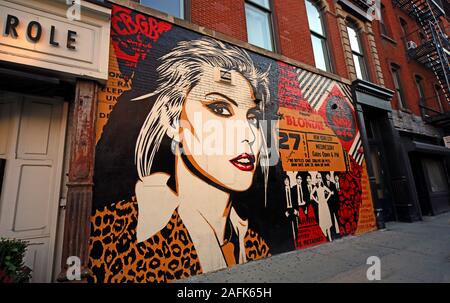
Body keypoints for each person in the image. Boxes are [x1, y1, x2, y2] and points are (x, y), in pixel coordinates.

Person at [89, 37, 272, 283]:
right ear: (172, 120)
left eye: (251, 117)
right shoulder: (116, 236)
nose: (248, 135)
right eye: (220, 108)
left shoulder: (254, 242)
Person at [310, 173, 333, 241]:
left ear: (321, 178)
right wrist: (317, 201)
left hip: (325, 205)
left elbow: (330, 192)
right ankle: (325, 238)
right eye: (318, 177)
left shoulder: (323, 186)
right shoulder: (316, 187)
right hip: (320, 205)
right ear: (316, 179)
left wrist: (326, 199)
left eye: (320, 177)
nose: (319, 179)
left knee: (327, 221)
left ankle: (330, 238)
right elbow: (311, 194)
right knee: (323, 222)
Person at [283, 175, 298, 245]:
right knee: (289, 227)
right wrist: (284, 212)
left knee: (295, 225)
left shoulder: (292, 190)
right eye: (285, 180)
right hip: (287, 210)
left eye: (287, 180)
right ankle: (291, 242)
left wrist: (296, 210)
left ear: (289, 181)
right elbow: (282, 202)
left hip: (293, 209)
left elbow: (295, 200)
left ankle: (297, 240)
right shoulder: (283, 192)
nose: (286, 181)